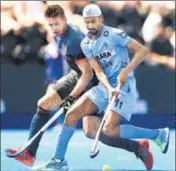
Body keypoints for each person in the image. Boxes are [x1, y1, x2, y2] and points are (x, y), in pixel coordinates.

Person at [6, 4, 148, 169]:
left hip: (91, 80)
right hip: (76, 74)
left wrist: (70, 98)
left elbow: (87, 74)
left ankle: (138, 147)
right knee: (43, 104)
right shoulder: (58, 35)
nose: (54, 28)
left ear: (65, 20)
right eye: (50, 25)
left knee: (92, 132)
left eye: (57, 24)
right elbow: (78, 71)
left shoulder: (74, 40)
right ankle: (29, 154)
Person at [34, 4, 170, 171]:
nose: (90, 26)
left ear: (101, 19)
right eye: (87, 22)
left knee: (109, 130)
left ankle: (157, 134)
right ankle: (59, 160)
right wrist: (108, 87)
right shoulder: (86, 44)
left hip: (124, 86)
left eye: (93, 21)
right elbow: (97, 72)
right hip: (104, 87)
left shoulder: (115, 34)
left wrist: (126, 72)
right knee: (71, 114)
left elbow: (142, 51)